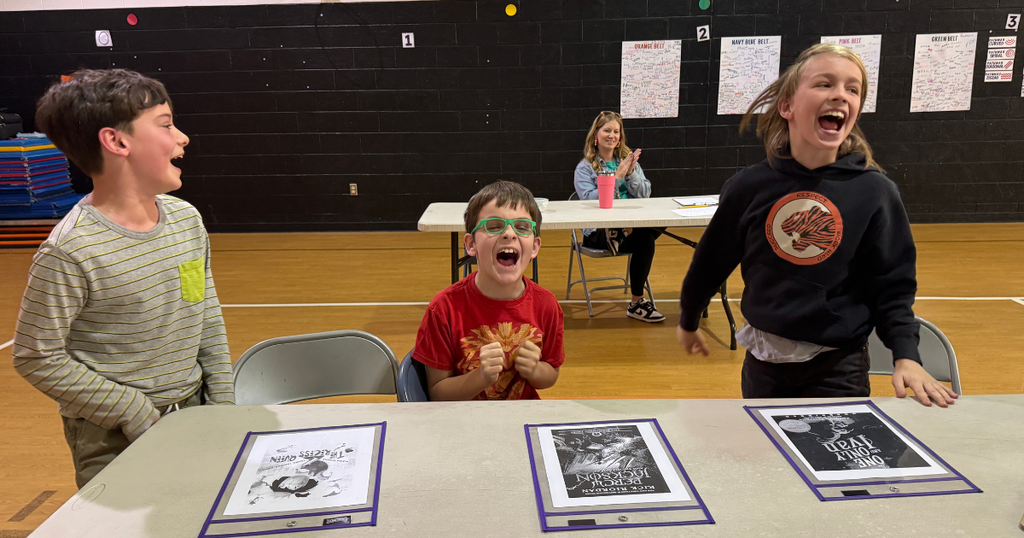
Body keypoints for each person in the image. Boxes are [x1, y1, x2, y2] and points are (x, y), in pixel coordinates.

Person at [676, 44, 958, 407]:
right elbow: (711, 260)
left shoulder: (875, 192)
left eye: (852, 89)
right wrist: (688, 318)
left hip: (839, 367)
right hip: (764, 366)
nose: (840, 94)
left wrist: (907, 355)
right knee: (771, 459)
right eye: (825, 84)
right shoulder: (748, 187)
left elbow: (892, 284)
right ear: (787, 106)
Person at [13, 69, 235, 488]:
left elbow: (204, 311)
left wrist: (222, 401)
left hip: (195, 409)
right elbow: (35, 355)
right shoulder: (70, 250)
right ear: (116, 142)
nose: (182, 137)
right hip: (110, 435)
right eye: (167, 125)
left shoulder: (186, 221)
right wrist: (132, 410)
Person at [412, 180, 565, 400]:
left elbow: (551, 375)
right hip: (464, 424)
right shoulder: (444, 309)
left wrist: (535, 370)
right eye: (494, 226)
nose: (509, 234)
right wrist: (480, 377)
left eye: (522, 227)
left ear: (534, 247)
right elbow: (437, 392)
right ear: (471, 244)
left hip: (523, 422)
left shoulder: (547, 306)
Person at [573, 111, 665, 323]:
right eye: (607, 130)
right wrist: (618, 177)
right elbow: (587, 200)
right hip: (599, 232)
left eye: (616, 131)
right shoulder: (585, 168)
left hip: (630, 227)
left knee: (660, 223)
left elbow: (644, 195)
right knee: (645, 240)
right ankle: (636, 303)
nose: (612, 135)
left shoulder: (628, 160)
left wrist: (631, 172)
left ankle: (630, 232)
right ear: (596, 135)